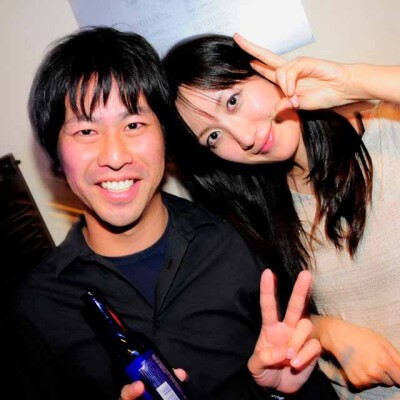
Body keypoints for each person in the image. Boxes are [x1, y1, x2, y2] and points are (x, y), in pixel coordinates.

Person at [8, 26, 338, 400]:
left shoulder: (236, 242)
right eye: (86, 131)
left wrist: (279, 393)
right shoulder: (39, 306)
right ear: (56, 154)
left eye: (134, 124)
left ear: (166, 137)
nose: (114, 156)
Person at [163, 32, 400, 399]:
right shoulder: (259, 218)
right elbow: (290, 316)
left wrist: (350, 80)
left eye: (233, 101)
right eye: (213, 136)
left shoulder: (388, 130)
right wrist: (328, 332)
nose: (244, 137)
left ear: (263, 71)